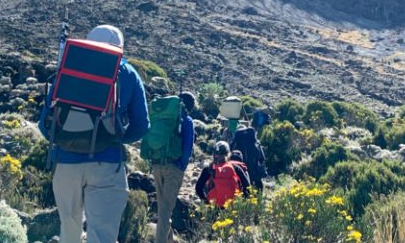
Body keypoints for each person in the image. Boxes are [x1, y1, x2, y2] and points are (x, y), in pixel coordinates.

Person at [38, 25, 150, 243]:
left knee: (69, 232)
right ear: (120, 49)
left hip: (66, 164)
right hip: (107, 165)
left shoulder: (68, 68)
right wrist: (114, 138)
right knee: (102, 235)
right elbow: (142, 126)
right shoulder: (127, 73)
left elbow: (44, 125)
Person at [146, 92, 196, 243]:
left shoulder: (164, 117)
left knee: (163, 207)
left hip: (157, 164)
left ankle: (169, 240)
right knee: (166, 211)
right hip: (173, 167)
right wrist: (181, 166)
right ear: (190, 106)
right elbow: (188, 147)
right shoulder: (186, 120)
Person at [195, 141, 250, 207]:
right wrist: (242, 202)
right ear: (228, 154)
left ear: (214, 154)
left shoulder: (209, 169)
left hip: (214, 206)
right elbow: (247, 186)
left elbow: (198, 188)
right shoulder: (235, 167)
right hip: (233, 206)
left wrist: (206, 202)